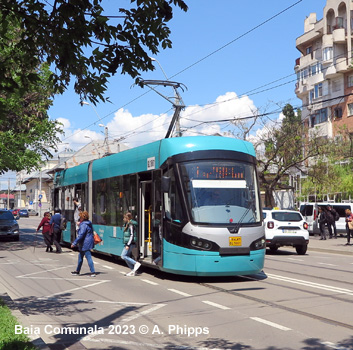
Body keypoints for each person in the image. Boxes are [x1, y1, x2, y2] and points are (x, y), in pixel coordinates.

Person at [71, 211, 96, 277]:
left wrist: (74, 243)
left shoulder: (84, 225)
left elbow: (81, 235)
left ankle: (93, 272)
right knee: (80, 257)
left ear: (82, 218)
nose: (79, 219)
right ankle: (77, 271)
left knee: (88, 256)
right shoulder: (88, 223)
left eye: (80, 217)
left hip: (85, 243)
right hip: (87, 242)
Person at [121, 212, 141, 276]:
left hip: (130, 243)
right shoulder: (127, 224)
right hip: (129, 243)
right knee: (127, 256)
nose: (123, 219)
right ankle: (133, 270)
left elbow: (131, 235)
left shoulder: (130, 224)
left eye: (124, 218)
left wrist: (128, 245)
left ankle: (136, 263)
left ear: (127, 218)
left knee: (123, 256)